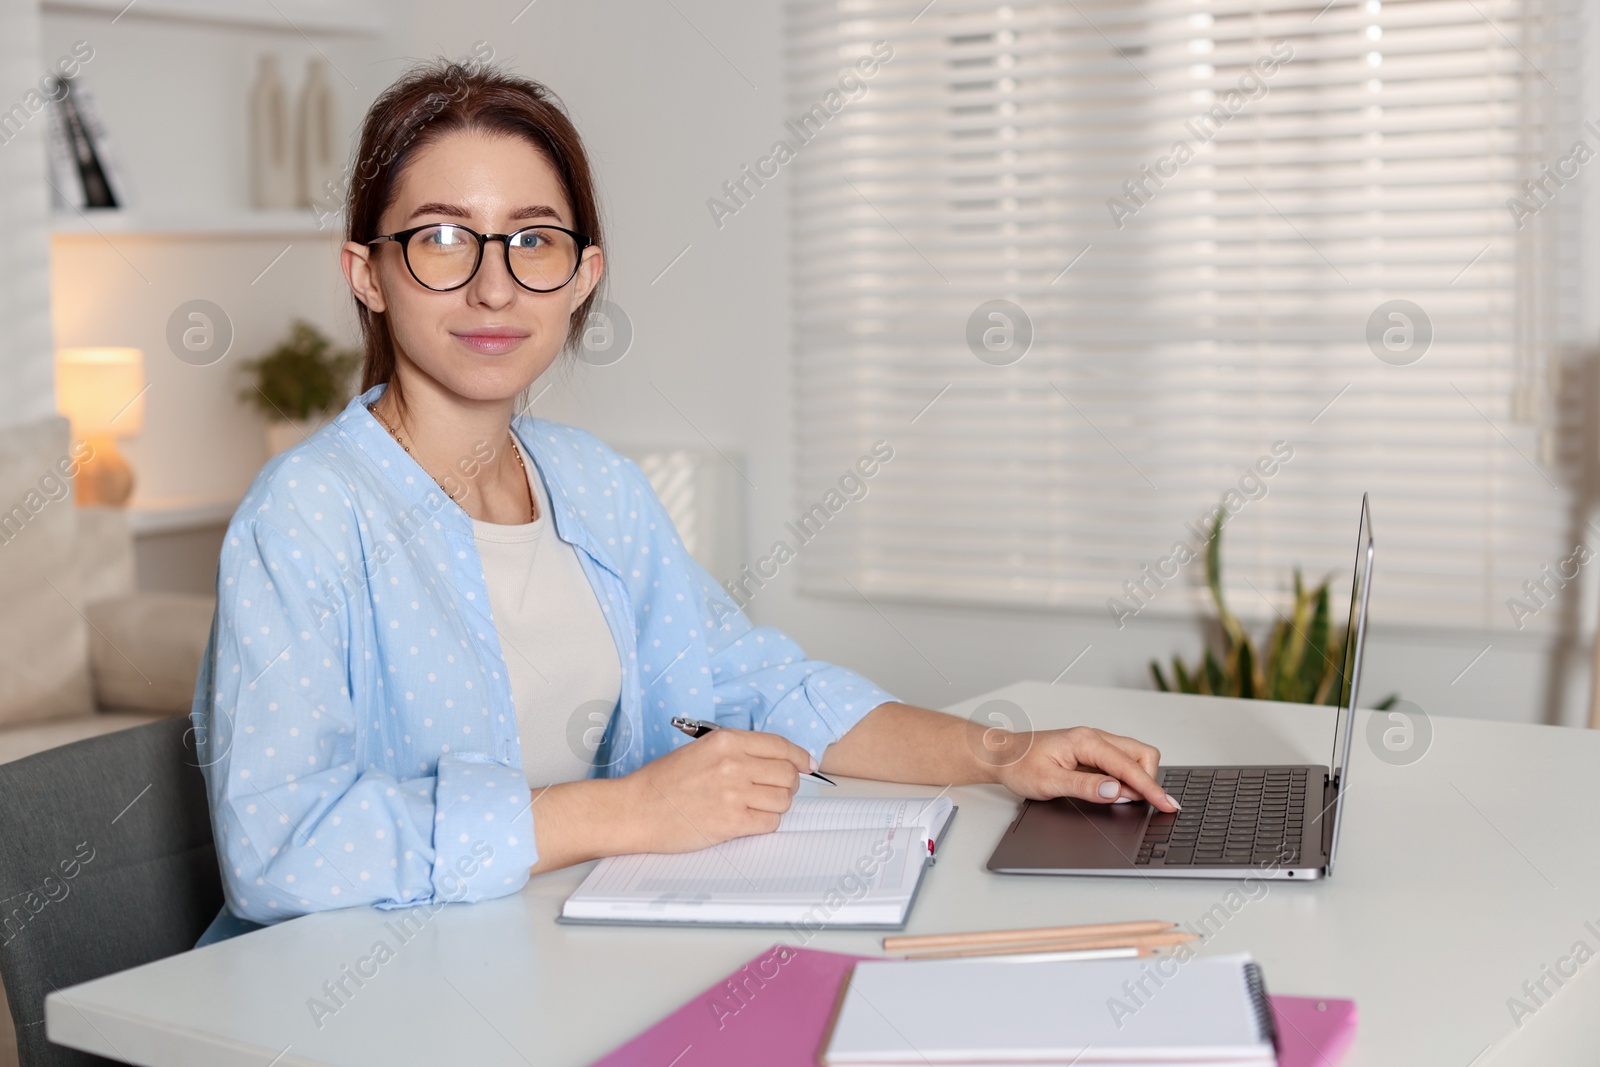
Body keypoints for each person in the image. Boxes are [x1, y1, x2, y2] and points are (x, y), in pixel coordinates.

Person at [189, 58, 1178, 944]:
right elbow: (278, 843)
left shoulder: (593, 483)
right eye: (443, 239)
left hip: (558, 951)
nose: (494, 287)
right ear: (367, 273)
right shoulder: (306, 516)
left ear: (582, 277)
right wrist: (621, 811)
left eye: (532, 241)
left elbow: (755, 683)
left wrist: (1000, 750)